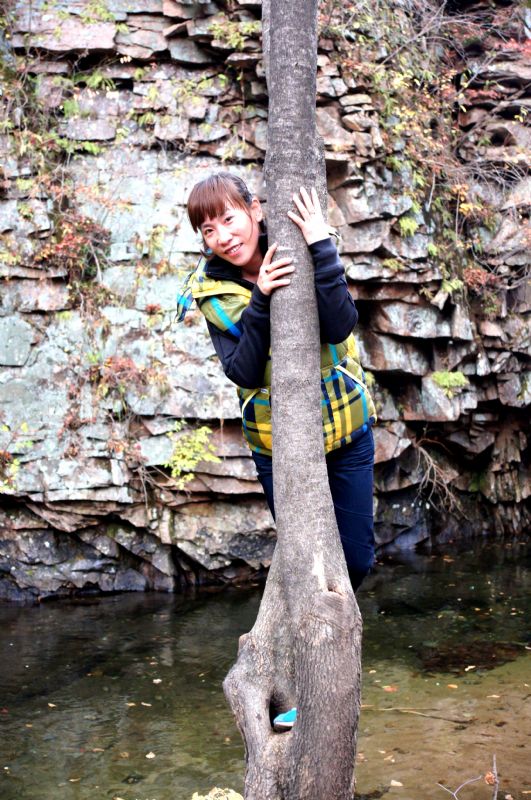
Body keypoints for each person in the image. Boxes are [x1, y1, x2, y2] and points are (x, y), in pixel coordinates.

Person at [177, 172, 376, 729]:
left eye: (229, 218)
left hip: (347, 432)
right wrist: (262, 296)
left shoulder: (299, 246)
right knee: (302, 565)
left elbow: (340, 325)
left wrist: (320, 245)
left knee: (355, 561)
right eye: (208, 229)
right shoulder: (214, 293)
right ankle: (297, 689)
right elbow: (242, 369)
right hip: (280, 449)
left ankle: (325, 669)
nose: (223, 235)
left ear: (255, 210)